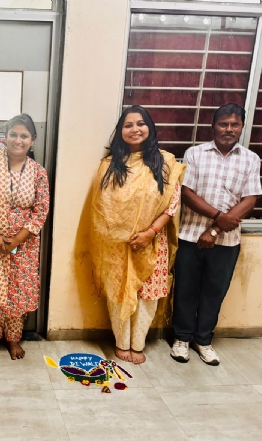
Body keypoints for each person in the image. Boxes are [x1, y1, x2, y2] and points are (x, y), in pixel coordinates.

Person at [90, 105, 185, 365]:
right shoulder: (110, 165)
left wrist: (150, 233)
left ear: (150, 128)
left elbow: (172, 203)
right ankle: (122, 342)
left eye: (140, 124)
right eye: (128, 125)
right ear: (120, 132)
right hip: (117, 245)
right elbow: (101, 208)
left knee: (147, 295)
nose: (135, 129)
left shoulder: (165, 162)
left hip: (153, 241)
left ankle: (138, 343)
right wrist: (121, 235)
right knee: (119, 292)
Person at [170, 103, 262, 366]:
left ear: (242, 127)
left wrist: (215, 228)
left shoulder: (250, 159)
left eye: (235, 124)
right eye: (223, 124)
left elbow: (250, 199)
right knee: (186, 289)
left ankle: (204, 340)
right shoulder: (195, 154)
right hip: (190, 236)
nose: (229, 129)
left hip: (227, 240)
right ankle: (182, 339)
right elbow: (186, 193)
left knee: (214, 291)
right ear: (213, 126)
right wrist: (218, 217)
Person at [0, 114, 50, 360]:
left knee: (17, 288)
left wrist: (16, 240)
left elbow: (41, 209)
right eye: (13, 134)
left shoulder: (38, 172)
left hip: (24, 243)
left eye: (24, 136)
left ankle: (14, 339)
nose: (18, 140)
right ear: (5, 137)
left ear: (32, 140)